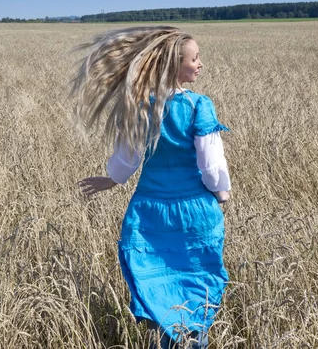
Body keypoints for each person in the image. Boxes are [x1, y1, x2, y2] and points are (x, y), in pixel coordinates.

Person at [72, 26, 231, 348]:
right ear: (174, 66)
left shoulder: (142, 106)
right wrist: (221, 191)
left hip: (149, 211)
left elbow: (127, 157)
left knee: (157, 281)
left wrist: (113, 180)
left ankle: (166, 339)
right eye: (195, 59)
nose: (200, 64)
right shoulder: (200, 106)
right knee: (197, 281)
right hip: (194, 211)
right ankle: (191, 341)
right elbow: (210, 162)